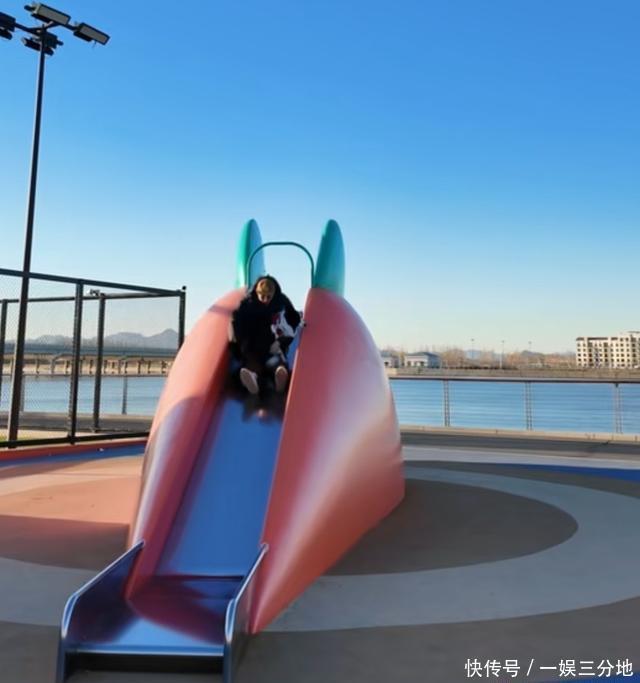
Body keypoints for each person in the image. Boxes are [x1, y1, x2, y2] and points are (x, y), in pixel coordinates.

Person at [230, 275, 301, 395]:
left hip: (274, 345)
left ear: (273, 294)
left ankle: (280, 376)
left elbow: (293, 321)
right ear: (257, 293)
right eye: (262, 296)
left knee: (276, 362)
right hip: (254, 346)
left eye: (269, 297)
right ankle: (252, 379)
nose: (265, 300)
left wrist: (281, 342)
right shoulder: (247, 304)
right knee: (252, 363)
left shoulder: (281, 302)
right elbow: (236, 324)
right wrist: (239, 345)